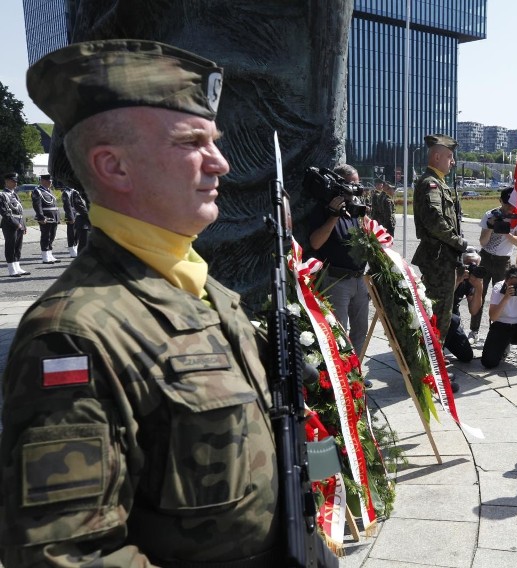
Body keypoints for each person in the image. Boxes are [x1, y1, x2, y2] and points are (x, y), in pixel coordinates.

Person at [0, 39, 337, 566]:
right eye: (191, 142)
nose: (221, 163)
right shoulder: (75, 334)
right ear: (114, 167)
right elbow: (67, 555)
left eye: (215, 141)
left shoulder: (208, 292)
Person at [309, 163, 371, 358]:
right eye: (352, 184)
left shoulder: (356, 209)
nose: (356, 189)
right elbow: (316, 243)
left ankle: (356, 374)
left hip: (359, 280)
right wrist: (334, 216)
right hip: (336, 281)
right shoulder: (324, 208)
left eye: (358, 184)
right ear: (340, 183)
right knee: (339, 332)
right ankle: (343, 379)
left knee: (361, 330)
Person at [412, 134, 468, 340]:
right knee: (438, 312)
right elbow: (435, 221)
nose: (452, 162)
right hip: (438, 258)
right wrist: (459, 243)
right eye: (449, 157)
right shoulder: (430, 183)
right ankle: (433, 364)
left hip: (443, 257)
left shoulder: (438, 182)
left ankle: (435, 360)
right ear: (436, 156)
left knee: (441, 310)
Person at [467, 187, 517, 344]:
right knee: (479, 293)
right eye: (507, 203)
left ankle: (497, 333)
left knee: (502, 296)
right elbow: (482, 242)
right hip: (486, 258)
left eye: (512, 203)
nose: (510, 207)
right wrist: (491, 226)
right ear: (501, 201)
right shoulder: (490, 214)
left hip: (504, 261)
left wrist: (505, 232)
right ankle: (474, 331)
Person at [444, 252, 484, 367]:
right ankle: (436, 352)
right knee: (454, 319)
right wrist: (457, 280)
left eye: (475, 265)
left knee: (466, 356)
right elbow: (442, 301)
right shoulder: (449, 274)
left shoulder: (470, 281)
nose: (471, 268)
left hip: (451, 321)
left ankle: (444, 342)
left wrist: (479, 288)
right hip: (438, 315)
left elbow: (474, 311)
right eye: (467, 264)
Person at [1, 172, 30, 277]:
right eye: (13, 181)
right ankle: (11, 269)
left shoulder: (15, 194)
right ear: (7, 181)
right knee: (11, 246)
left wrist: (23, 225)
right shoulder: (3, 195)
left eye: (16, 181)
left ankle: (17, 267)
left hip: (19, 223)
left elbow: (20, 211)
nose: (15, 183)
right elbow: (4, 212)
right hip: (9, 224)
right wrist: (15, 224)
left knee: (18, 247)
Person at [31, 173, 62, 263]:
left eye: (51, 181)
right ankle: (45, 256)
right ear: (42, 181)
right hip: (46, 217)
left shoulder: (49, 191)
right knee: (46, 236)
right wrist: (41, 217)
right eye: (48, 181)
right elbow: (37, 205)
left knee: (52, 235)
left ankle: (50, 254)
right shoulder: (37, 191)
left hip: (54, 217)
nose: (50, 182)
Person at [59, 181, 79, 257]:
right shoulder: (66, 192)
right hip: (71, 214)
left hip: (78, 214)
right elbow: (67, 206)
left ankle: (75, 246)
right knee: (71, 233)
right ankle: (71, 248)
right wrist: (71, 217)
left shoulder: (76, 191)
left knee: (77, 232)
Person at [71, 182, 91, 252]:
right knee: (83, 244)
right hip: (83, 221)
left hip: (90, 221)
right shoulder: (76, 192)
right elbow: (80, 207)